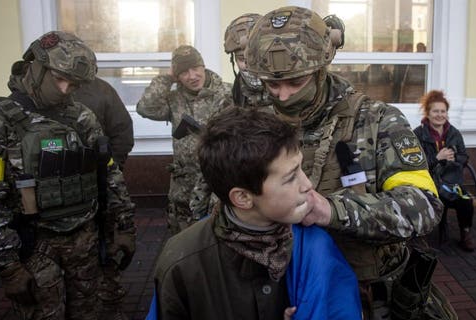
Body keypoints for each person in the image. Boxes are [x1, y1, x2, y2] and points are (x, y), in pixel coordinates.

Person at [245, 6, 456, 319]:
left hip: (368, 297)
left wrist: (332, 211)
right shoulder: (253, 123)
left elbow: (423, 206)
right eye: (273, 85)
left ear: (321, 68)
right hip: (284, 293)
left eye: (296, 82)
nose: (284, 96)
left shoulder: (376, 120)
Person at [0, 31, 136, 320]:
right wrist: (9, 267)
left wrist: (125, 226)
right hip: (33, 248)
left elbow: (109, 175)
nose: (66, 89)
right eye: (59, 79)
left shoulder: (81, 117)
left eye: (75, 84)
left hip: (85, 243)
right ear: (36, 67)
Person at [149, 107, 362, 320]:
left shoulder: (315, 246)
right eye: (290, 178)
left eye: (300, 168)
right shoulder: (182, 262)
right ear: (243, 197)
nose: (307, 184)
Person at [136, 45, 232, 234]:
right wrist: (166, 78)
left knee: (216, 243)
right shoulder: (174, 99)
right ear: (177, 76)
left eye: (195, 68)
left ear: (203, 66)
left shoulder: (227, 94)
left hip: (217, 185)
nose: (192, 76)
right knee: (182, 243)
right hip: (183, 189)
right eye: (184, 72)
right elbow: (146, 108)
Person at [73, 78, 134, 319]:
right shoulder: (27, 99)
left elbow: (122, 132)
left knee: (107, 256)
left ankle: (111, 308)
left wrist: (110, 170)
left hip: (100, 193)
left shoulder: (100, 90)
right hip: (53, 206)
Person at [413, 90, 476, 252]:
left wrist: (455, 159)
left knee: (466, 201)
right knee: (426, 201)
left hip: (451, 182)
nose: (439, 115)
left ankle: (465, 234)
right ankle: (420, 238)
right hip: (429, 183)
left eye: (443, 111)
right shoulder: (418, 134)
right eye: (435, 111)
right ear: (428, 113)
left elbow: (464, 157)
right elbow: (415, 163)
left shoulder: (454, 133)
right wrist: (437, 158)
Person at [73, 77, 134, 169]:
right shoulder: (102, 89)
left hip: (93, 168)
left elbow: (122, 132)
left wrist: (110, 166)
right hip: (91, 168)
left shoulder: (102, 90)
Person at [223, 13, 272, 109]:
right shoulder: (229, 100)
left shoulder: (290, 93)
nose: (249, 66)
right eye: (242, 59)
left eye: (256, 57)